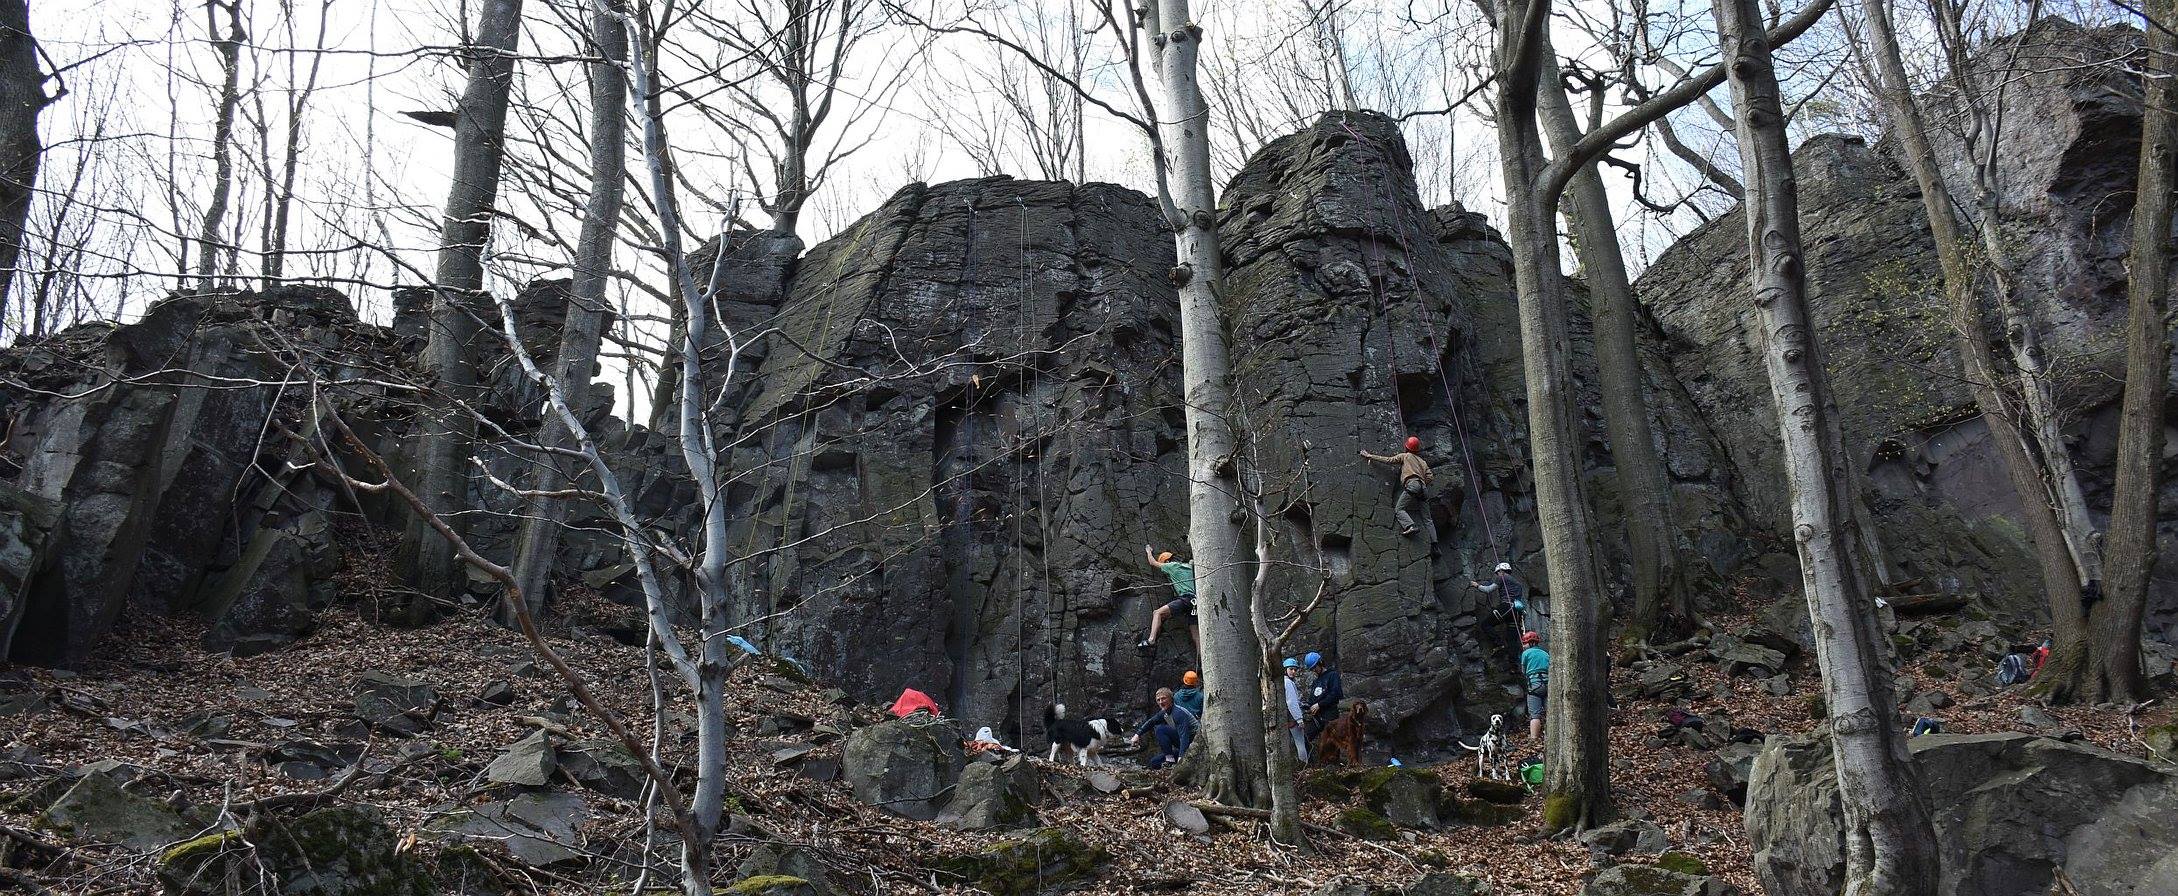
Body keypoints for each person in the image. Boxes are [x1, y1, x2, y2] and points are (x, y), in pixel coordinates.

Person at [1360, 437, 1434, 537]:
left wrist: (1370, 456)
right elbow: (1430, 476)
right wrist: (1421, 483)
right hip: (1423, 488)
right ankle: (1435, 544)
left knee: (1399, 509)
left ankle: (1410, 526)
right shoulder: (1422, 462)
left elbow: (1389, 460)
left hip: (1412, 485)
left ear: (1406, 447)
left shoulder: (1405, 456)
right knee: (1428, 519)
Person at [1137, 546, 1198, 651]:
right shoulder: (1189, 567)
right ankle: (1202, 660)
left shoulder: (1171, 566)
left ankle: (1151, 640)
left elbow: (1153, 563)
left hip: (1186, 599)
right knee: (1196, 636)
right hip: (1195, 602)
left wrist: (1148, 551)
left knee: (1157, 613)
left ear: (1167, 561)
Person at [1128, 687, 1198, 769]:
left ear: (1171, 699)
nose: (1161, 702)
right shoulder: (1165, 713)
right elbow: (1151, 722)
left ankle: (1170, 761)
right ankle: (1170, 763)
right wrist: (1137, 735)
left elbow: (1184, 736)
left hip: (1192, 745)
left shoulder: (1178, 713)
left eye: (1163, 699)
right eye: (1158, 700)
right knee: (1155, 762)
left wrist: (1181, 758)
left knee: (1161, 729)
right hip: (1182, 745)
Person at [1302, 651, 1343, 742]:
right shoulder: (1316, 681)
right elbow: (1312, 699)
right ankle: (1307, 756)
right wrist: (1309, 706)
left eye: (1314, 667)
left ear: (1320, 663)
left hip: (1330, 715)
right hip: (1317, 717)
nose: (1314, 671)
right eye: (1312, 669)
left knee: (1331, 743)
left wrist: (1319, 704)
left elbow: (1336, 694)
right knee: (1305, 738)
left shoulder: (1333, 675)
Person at [1520, 631, 1549, 741]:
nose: (1523, 646)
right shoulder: (1545, 653)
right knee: (1549, 713)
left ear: (1531, 643)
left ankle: (1534, 739)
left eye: (1525, 643)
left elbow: (1523, 670)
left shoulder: (1526, 654)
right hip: (1547, 685)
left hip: (1534, 686)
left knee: (1535, 715)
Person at [1282, 658, 1310, 763]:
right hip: (1292, 719)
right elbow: (1291, 702)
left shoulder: (1283, 682)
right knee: (1300, 743)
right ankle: (1304, 765)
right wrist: (1299, 719)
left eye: (1295, 670)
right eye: (1291, 669)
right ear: (1285, 669)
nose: (1293, 672)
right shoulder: (1288, 683)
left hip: (1286, 719)